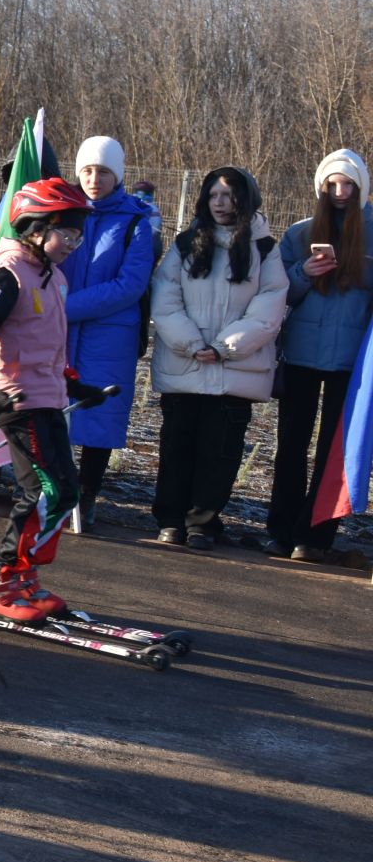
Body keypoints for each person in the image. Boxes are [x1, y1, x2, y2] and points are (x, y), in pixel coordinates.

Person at [0, 179, 110, 621]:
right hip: (18, 402)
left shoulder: (53, 278)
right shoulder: (9, 276)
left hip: (48, 397)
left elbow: (43, 345)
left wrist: (72, 383)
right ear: (36, 229)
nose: (74, 245)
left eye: (80, 236)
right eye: (68, 234)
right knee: (45, 490)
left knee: (65, 491)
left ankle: (24, 576)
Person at [149, 168, 286, 548]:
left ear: (247, 198)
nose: (220, 203)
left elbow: (269, 307)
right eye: (213, 195)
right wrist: (192, 344)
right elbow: (165, 298)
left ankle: (202, 523)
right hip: (184, 365)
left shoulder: (264, 250)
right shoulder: (184, 244)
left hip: (235, 370)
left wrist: (225, 348)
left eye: (229, 195)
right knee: (177, 447)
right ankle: (171, 520)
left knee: (220, 453)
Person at [266, 148, 373, 562]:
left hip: (353, 363)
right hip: (300, 356)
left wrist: (353, 267)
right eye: (333, 184)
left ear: (361, 187)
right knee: (290, 446)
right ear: (321, 187)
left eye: (348, 184)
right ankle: (280, 530)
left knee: (334, 452)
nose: (341, 191)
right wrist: (303, 274)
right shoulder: (299, 232)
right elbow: (280, 294)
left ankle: (316, 536)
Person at [63, 135, 156, 531]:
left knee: (99, 415)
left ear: (117, 175)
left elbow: (130, 284)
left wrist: (64, 308)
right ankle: (55, 490)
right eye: (87, 170)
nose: (93, 178)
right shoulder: (64, 211)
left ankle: (86, 493)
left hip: (109, 336)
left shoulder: (136, 221)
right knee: (53, 411)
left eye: (102, 171)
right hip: (61, 333)